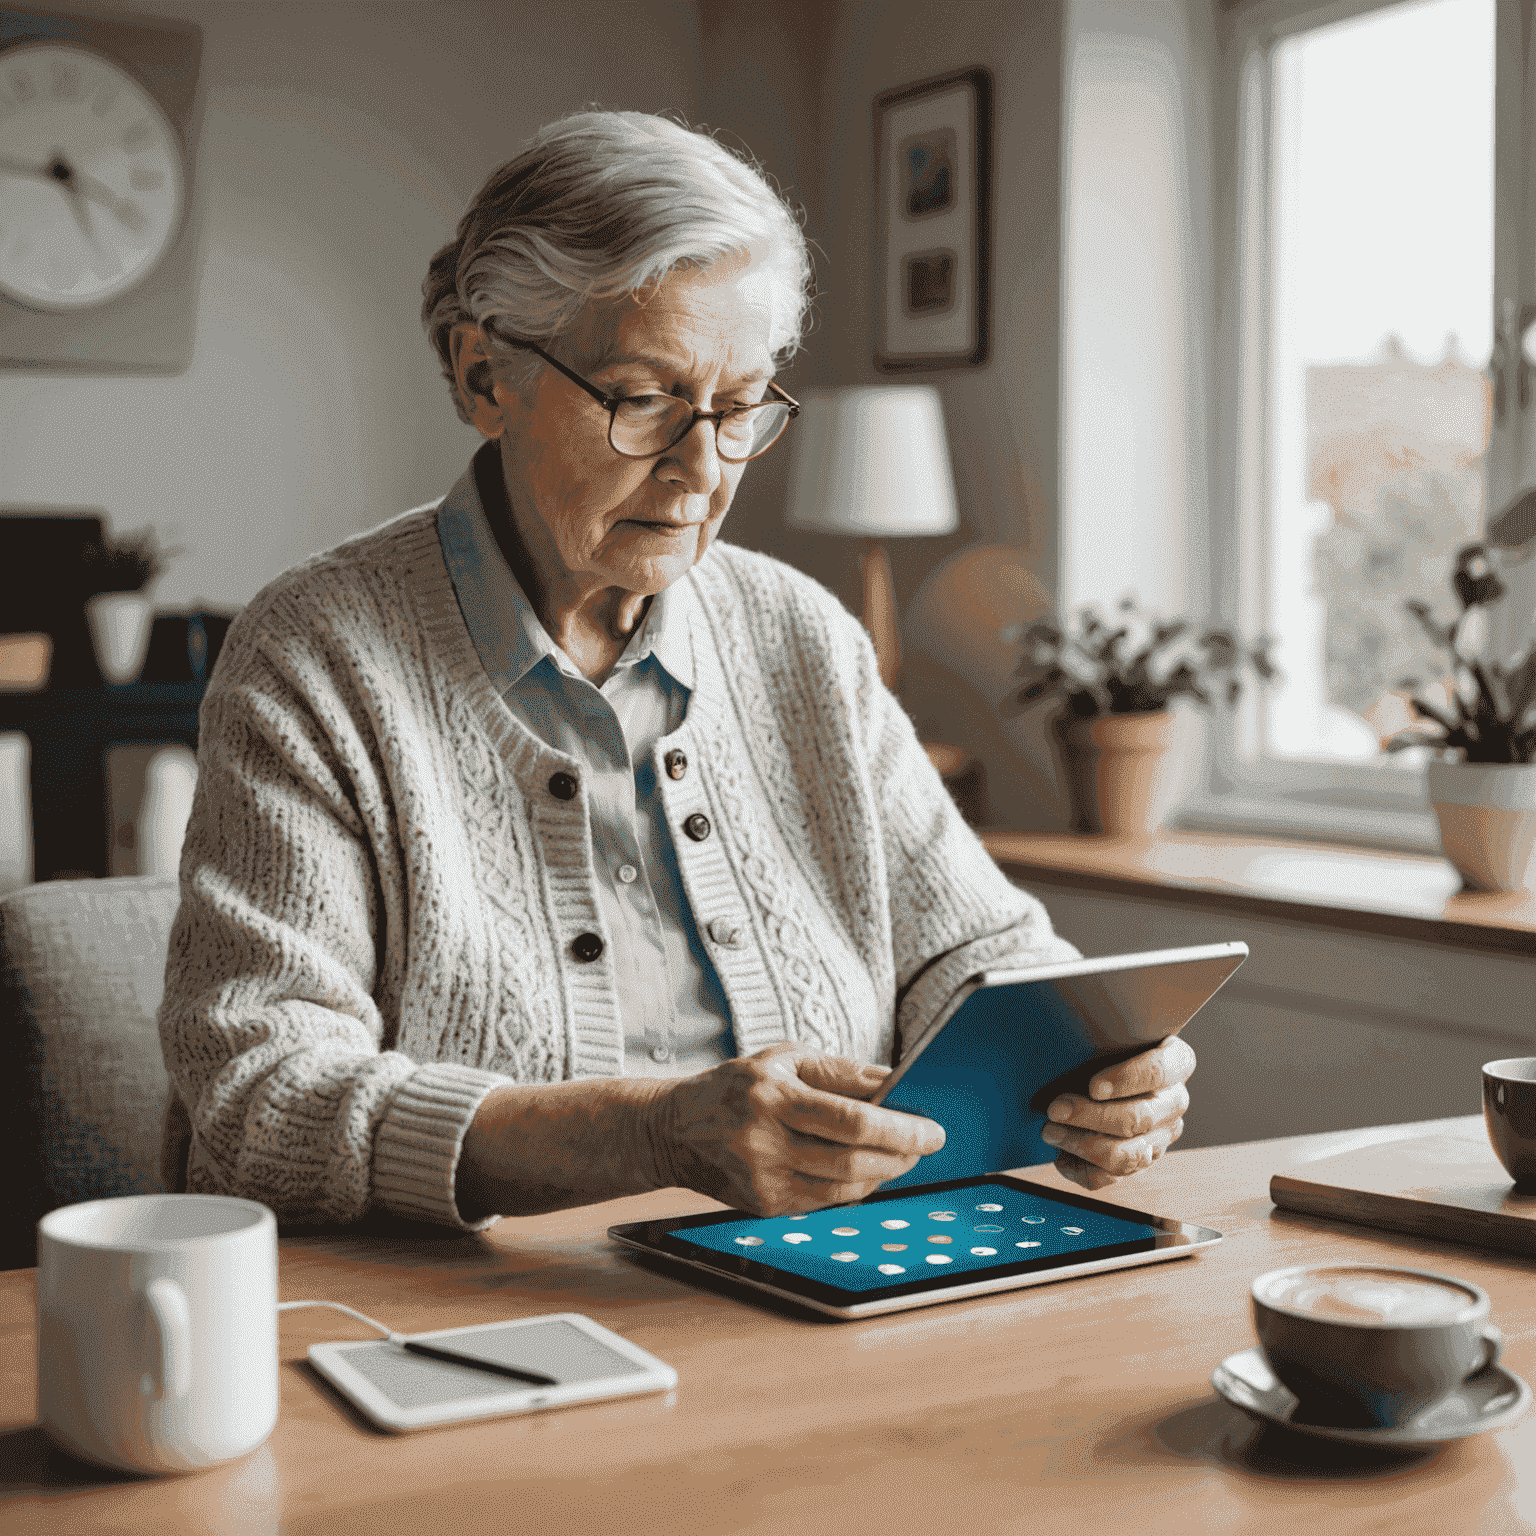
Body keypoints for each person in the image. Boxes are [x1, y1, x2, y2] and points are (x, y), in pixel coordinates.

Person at [158, 111, 1193, 1232]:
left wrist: (1087, 1063)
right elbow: (258, 1101)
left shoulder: (801, 636)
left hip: (831, 1284)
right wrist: (646, 1134)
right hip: (474, 1326)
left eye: (742, 402)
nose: (704, 467)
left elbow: (977, 951)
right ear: (482, 374)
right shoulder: (315, 656)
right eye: (645, 398)